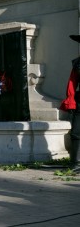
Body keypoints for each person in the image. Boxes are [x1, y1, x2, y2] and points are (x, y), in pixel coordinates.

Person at [59, 34, 80, 172]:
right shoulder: (78, 63)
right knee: (77, 132)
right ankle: (76, 163)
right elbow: (72, 84)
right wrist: (70, 101)